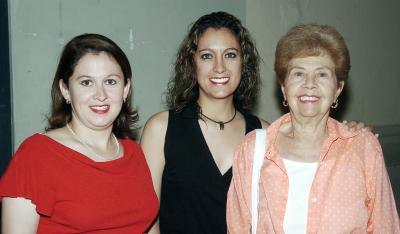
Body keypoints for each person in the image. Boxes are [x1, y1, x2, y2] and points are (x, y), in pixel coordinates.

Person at [141, 12, 370, 233]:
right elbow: (147, 220)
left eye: (230, 55)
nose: (219, 67)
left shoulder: (265, 133)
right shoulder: (161, 129)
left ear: (244, 62)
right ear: (192, 64)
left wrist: (349, 133)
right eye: (207, 55)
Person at [227, 24, 399, 233]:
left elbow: (385, 227)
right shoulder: (252, 150)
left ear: (338, 89)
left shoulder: (363, 149)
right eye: (298, 74)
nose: (310, 84)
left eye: (322, 74)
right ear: (284, 87)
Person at [0, 34, 158, 233]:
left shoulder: (134, 153)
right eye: (86, 83)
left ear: (126, 89)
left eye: (110, 82)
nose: (100, 95)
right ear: (65, 89)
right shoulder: (36, 156)